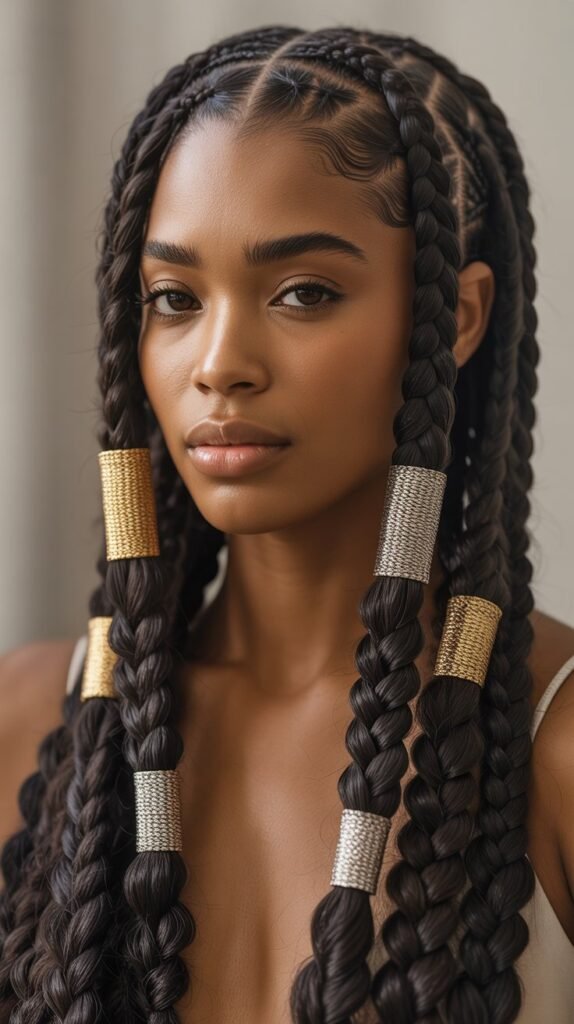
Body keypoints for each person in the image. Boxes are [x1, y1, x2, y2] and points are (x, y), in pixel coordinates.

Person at [0, 22, 572, 1024]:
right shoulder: (25, 725)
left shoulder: (551, 742)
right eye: (173, 297)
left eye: (304, 292)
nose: (220, 362)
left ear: (460, 316)